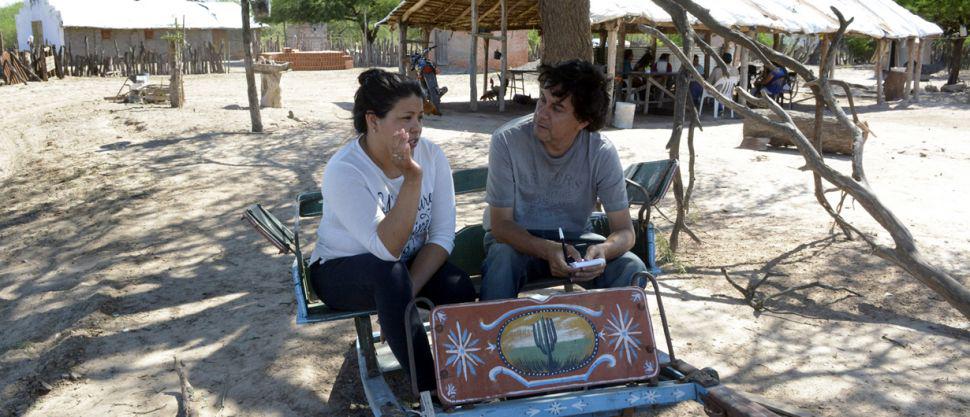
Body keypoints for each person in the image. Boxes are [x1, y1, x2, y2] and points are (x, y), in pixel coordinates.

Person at [308, 68, 476, 393]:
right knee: (389, 274)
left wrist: (406, 295)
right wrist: (412, 178)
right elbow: (385, 250)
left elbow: (442, 236)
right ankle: (432, 393)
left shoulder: (432, 155)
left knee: (457, 287)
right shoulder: (346, 170)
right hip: (341, 271)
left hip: (401, 270)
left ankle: (466, 377)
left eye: (420, 118)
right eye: (405, 118)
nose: (416, 128)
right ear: (373, 121)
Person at [480, 60, 647, 301]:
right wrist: (547, 249)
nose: (541, 113)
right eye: (542, 100)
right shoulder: (507, 141)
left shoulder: (600, 151)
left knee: (632, 268)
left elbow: (624, 231)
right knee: (502, 260)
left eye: (557, 108)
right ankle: (491, 335)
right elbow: (501, 226)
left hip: (574, 241)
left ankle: (608, 337)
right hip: (516, 242)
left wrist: (603, 251)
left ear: (583, 121)